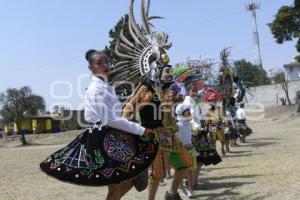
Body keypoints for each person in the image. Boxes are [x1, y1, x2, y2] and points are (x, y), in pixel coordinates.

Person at [40, 50, 158, 200]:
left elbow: (115, 117)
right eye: (99, 63)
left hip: (113, 135)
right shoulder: (96, 89)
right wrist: (140, 130)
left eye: (106, 61)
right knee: (118, 184)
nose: (105, 65)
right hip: (103, 140)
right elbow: (109, 119)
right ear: (91, 68)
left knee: (123, 181)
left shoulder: (106, 87)